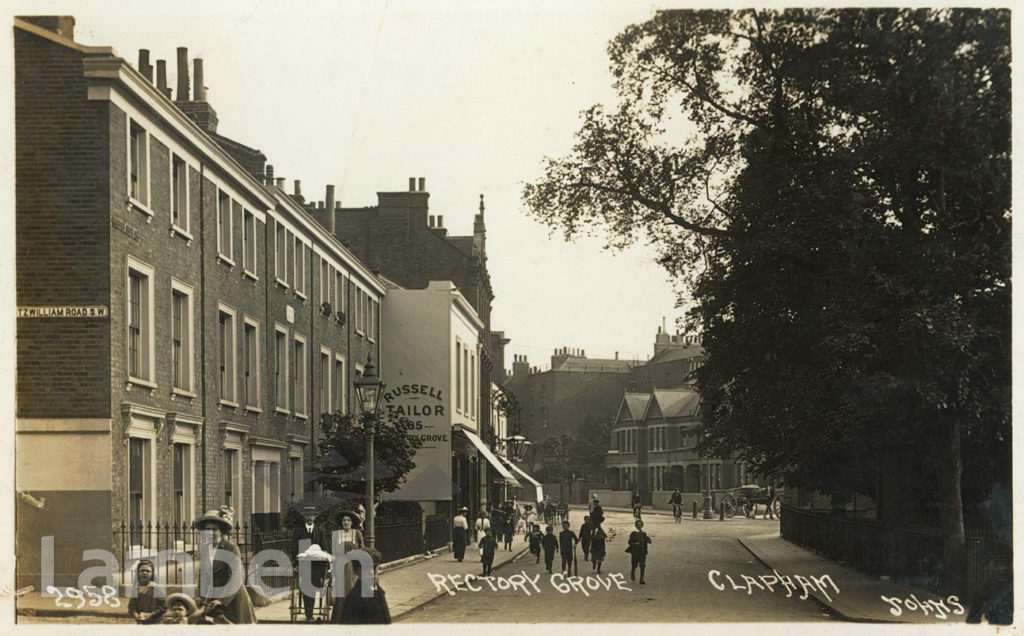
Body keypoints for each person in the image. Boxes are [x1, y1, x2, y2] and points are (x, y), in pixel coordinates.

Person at [196, 507, 257, 623]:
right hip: (213, 602)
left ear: (221, 531)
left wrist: (222, 600)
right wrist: (201, 597)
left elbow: (236, 577)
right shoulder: (205, 549)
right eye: (207, 530)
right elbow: (203, 575)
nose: (210, 533)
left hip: (232, 601)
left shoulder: (231, 548)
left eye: (214, 530)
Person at [331, 548, 391, 624]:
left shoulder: (379, 592)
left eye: (375, 568)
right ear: (357, 571)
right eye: (367, 569)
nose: (372, 572)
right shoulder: (353, 599)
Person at [292, 506, 328, 622]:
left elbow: (325, 548)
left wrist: (325, 560)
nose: (309, 517)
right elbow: (293, 548)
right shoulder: (298, 531)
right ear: (304, 517)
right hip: (304, 565)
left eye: (311, 515)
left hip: (318, 567)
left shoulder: (320, 531)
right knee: (307, 588)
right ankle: (309, 614)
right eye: (307, 515)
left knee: (315, 586)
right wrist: (296, 562)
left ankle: (310, 611)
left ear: (315, 516)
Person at [332, 510, 366, 598]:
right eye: (344, 520)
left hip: (352, 565)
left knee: (350, 586)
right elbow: (333, 552)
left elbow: (362, 550)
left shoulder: (357, 534)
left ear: (352, 522)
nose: (346, 522)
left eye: (348, 520)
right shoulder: (336, 534)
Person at [127, 560, 165, 624]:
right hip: (141, 621)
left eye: (148, 571)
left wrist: (151, 614)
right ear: (138, 573)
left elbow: (163, 607)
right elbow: (131, 606)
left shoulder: (156, 588)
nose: (145, 573)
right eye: (142, 571)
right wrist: (135, 614)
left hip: (155, 622)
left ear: (152, 573)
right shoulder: (136, 589)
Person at [626, 519, 652, 584]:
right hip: (635, 552)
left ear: (642, 526)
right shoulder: (633, 533)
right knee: (634, 565)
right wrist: (635, 544)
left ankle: (641, 579)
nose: (639, 526)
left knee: (642, 565)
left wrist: (649, 540)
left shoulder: (644, 533)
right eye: (638, 525)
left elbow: (647, 539)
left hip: (642, 552)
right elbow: (629, 542)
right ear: (636, 526)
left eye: (640, 525)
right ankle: (632, 572)